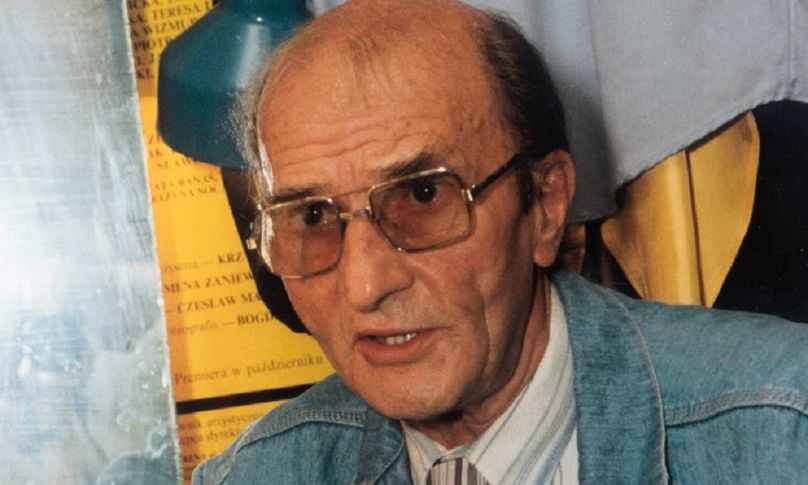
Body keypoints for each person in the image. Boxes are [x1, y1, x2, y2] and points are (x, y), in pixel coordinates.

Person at [194, 0, 808, 483]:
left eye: (423, 197)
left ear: (545, 204)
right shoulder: (256, 475)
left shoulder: (783, 435)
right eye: (310, 217)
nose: (365, 284)